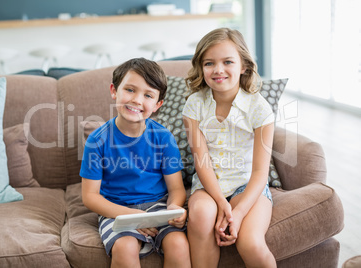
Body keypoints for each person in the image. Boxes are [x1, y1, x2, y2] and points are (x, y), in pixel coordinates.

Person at [80, 58, 191, 268]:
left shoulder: (163, 137)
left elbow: (176, 189)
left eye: (148, 95)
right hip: (116, 208)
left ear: (158, 104)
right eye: (130, 90)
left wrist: (175, 208)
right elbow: (90, 197)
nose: (137, 100)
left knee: (178, 244)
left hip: (158, 205)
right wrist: (132, 216)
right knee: (124, 247)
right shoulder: (97, 140)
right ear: (114, 91)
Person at [182, 28, 276, 268]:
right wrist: (222, 203)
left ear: (243, 65)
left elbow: (259, 173)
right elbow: (201, 162)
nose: (218, 70)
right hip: (207, 185)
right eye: (209, 63)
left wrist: (239, 212)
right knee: (202, 216)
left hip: (248, 185)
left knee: (250, 243)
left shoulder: (259, 108)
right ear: (201, 68)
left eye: (228, 62)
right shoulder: (194, 105)